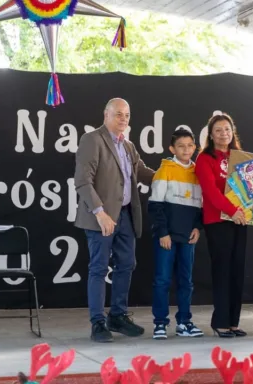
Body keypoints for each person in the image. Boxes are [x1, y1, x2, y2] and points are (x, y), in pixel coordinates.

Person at [74, 98, 156, 343]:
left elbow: (143, 172)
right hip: (102, 218)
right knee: (99, 268)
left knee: (127, 265)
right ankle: (98, 323)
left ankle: (117, 316)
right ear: (106, 114)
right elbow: (82, 180)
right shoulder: (92, 140)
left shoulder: (128, 146)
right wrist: (100, 213)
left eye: (127, 115)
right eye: (119, 114)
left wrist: (176, 172)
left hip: (126, 215)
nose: (124, 119)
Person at [195, 113, 249, 338]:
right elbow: (211, 192)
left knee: (237, 271)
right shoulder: (204, 159)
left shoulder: (241, 157)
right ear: (211, 135)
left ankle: (234, 322)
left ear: (232, 132)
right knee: (222, 271)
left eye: (227, 129)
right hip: (218, 220)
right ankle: (220, 322)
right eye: (218, 130)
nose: (223, 134)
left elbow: (251, 186)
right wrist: (232, 211)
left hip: (240, 219)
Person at [148, 127, 204, 340]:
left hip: (187, 237)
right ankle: (160, 323)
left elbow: (200, 206)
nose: (186, 149)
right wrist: (163, 232)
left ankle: (184, 322)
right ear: (172, 148)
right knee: (162, 280)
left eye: (190, 145)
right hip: (167, 237)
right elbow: (155, 205)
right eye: (181, 146)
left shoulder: (197, 172)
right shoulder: (165, 170)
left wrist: (198, 227)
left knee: (186, 281)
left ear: (195, 147)